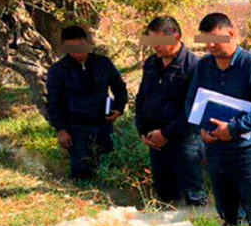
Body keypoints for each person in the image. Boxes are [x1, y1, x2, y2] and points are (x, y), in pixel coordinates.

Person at [185, 13, 251, 226]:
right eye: (206, 40)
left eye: (216, 39)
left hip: (247, 151)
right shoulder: (204, 65)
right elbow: (191, 101)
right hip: (215, 150)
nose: (210, 45)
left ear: (232, 34)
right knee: (227, 214)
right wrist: (200, 129)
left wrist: (234, 129)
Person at [135, 16, 207, 206]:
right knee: (164, 195)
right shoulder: (151, 63)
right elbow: (142, 97)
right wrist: (142, 130)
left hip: (184, 140)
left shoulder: (194, 66)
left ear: (175, 37)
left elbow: (195, 110)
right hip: (155, 140)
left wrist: (167, 133)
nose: (155, 46)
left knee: (194, 195)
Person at [46, 25, 128, 179]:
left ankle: (107, 199)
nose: (79, 53)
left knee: (108, 168)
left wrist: (119, 108)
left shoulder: (103, 63)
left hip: (104, 125)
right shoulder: (58, 70)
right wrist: (61, 130)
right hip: (76, 129)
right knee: (81, 171)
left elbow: (119, 86)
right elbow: (53, 102)